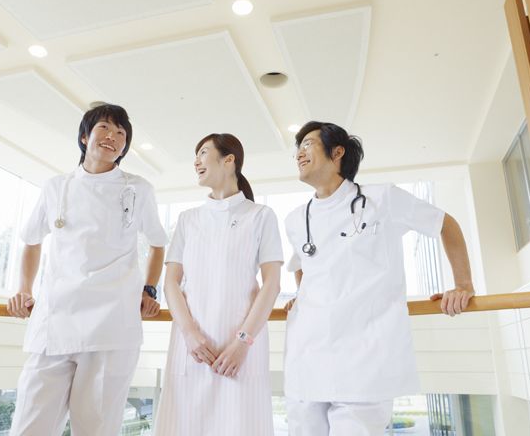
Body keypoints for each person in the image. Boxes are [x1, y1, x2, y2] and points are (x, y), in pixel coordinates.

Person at [283, 121, 475, 436]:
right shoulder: (295, 219)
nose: (299, 154)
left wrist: (463, 285)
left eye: (308, 144)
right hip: (308, 357)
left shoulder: (381, 199)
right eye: (298, 148)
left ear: (337, 152)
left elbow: (445, 224)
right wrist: (302, 295)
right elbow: (301, 264)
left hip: (365, 359)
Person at [6, 104, 167, 436]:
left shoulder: (138, 189)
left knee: (96, 429)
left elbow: (157, 243)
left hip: (111, 324)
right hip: (54, 322)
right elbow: (31, 240)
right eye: (104, 128)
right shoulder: (56, 186)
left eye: (121, 133)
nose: (113, 137)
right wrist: (24, 289)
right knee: (29, 425)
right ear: (84, 136)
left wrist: (149, 289)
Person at [154, 133, 283, 436]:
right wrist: (190, 334)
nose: (196, 161)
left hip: (241, 349)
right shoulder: (188, 219)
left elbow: (272, 285)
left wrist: (242, 342)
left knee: (240, 425)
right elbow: (170, 283)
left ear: (229, 160)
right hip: (191, 347)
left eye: (203, 152)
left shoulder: (260, 216)